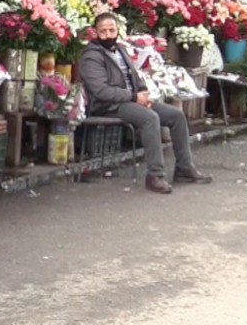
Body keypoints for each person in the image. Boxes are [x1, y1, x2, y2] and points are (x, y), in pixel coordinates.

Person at [79, 13, 213, 194]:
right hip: (108, 105)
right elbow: (101, 91)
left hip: (132, 99)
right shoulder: (91, 56)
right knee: (150, 118)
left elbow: (134, 76)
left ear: (118, 30)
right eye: (103, 31)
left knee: (176, 115)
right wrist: (135, 97)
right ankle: (154, 176)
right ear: (95, 33)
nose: (108, 35)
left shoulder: (120, 49)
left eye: (112, 30)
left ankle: (184, 167)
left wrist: (144, 94)